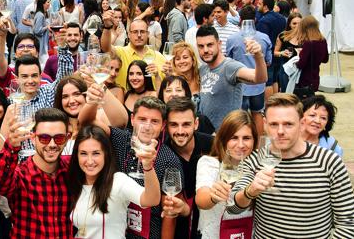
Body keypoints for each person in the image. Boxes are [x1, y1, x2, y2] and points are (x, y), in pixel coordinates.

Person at [231, 94, 354, 238]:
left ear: (302, 123)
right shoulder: (256, 159)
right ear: (264, 124)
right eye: (274, 124)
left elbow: (348, 222)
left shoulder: (329, 161)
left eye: (288, 124)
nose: (280, 131)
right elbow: (233, 208)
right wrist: (250, 191)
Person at [79, 96, 184, 239]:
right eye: (142, 119)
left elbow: (169, 214)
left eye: (154, 121)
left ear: (163, 125)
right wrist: (93, 100)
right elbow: (86, 122)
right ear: (133, 119)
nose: (147, 126)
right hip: (114, 231)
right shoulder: (120, 139)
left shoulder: (169, 160)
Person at [0, 108, 74, 238]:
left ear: (67, 138)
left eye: (59, 138)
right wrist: (12, 147)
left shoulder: (72, 169)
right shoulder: (20, 175)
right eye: (44, 138)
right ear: (33, 138)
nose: (52, 144)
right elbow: (0, 185)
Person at [68, 126, 160, 238]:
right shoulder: (76, 183)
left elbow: (152, 199)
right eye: (83, 153)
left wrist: (148, 166)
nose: (90, 161)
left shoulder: (118, 181)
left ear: (106, 154)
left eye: (96, 153)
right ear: (76, 156)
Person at [195, 110, 257, 239]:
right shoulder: (209, 163)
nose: (241, 145)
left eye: (246, 138)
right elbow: (201, 200)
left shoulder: (256, 167)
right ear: (223, 139)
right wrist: (214, 197)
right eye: (234, 137)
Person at [161, 97, 214, 239]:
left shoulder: (212, 146)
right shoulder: (162, 154)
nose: (180, 131)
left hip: (208, 225)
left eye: (186, 124)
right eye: (174, 125)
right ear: (166, 125)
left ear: (196, 123)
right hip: (176, 228)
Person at [196, 25, 267, 129]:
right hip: (207, 136)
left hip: (228, 134)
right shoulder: (203, 69)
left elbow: (259, 78)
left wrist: (258, 55)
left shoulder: (229, 66)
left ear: (219, 44)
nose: (205, 50)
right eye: (201, 46)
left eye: (210, 45)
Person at [226, 6, 273, 135]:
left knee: (240, 118)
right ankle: (256, 145)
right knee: (257, 113)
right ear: (255, 20)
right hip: (257, 86)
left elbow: (228, 62)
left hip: (241, 85)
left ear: (240, 19)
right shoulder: (264, 38)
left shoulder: (232, 39)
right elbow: (269, 61)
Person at [101, 17, 166, 90]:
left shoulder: (158, 56)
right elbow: (105, 47)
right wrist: (107, 27)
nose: (139, 35)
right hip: (125, 99)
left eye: (142, 32)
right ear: (129, 35)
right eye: (135, 32)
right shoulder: (120, 52)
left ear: (148, 34)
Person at [294, 16, 328, 99]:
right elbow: (325, 59)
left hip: (304, 78)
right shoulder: (323, 40)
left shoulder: (308, 43)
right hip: (315, 76)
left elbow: (301, 64)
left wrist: (297, 58)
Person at [274, 12, 302, 93]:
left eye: (299, 23)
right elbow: (274, 52)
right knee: (286, 93)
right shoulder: (283, 36)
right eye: (294, 23)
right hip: (285, 70)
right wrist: (282, 53)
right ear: (289, 24)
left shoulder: (306, 36)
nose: (297, 26)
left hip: (300, 70)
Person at [32, 0, 51, 65]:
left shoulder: (41, 14)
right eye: (48, 2)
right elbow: (37, 30)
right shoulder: (40, 15)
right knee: (44, 64)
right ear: (43, 3)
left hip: (42, 44)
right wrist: (47, 27)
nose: (49, 4)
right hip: (40, 44)